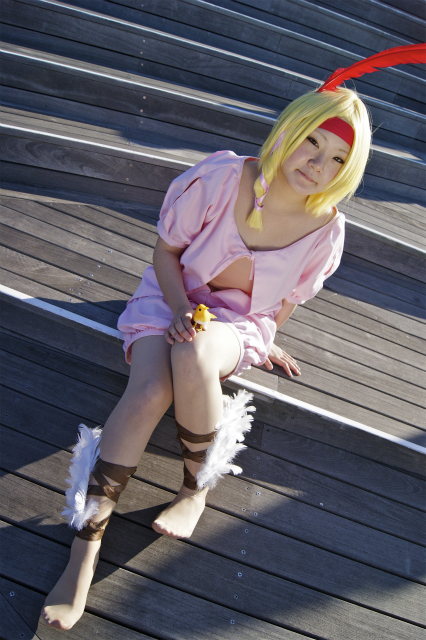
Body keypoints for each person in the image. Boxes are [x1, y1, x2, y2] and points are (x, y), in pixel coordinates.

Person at [41, 85, 371, 630]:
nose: (319, 165)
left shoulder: (326, 229)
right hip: (171, 295)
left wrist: (263, 339)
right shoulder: (221, 178)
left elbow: (283, 303)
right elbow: (167, 251)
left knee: (196, 351)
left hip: (236, 323)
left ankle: (194, 490)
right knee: (150, 390)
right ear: (287, 132)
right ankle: (85, 548)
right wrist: (177, 308)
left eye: (338, 159)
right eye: (312, 142)